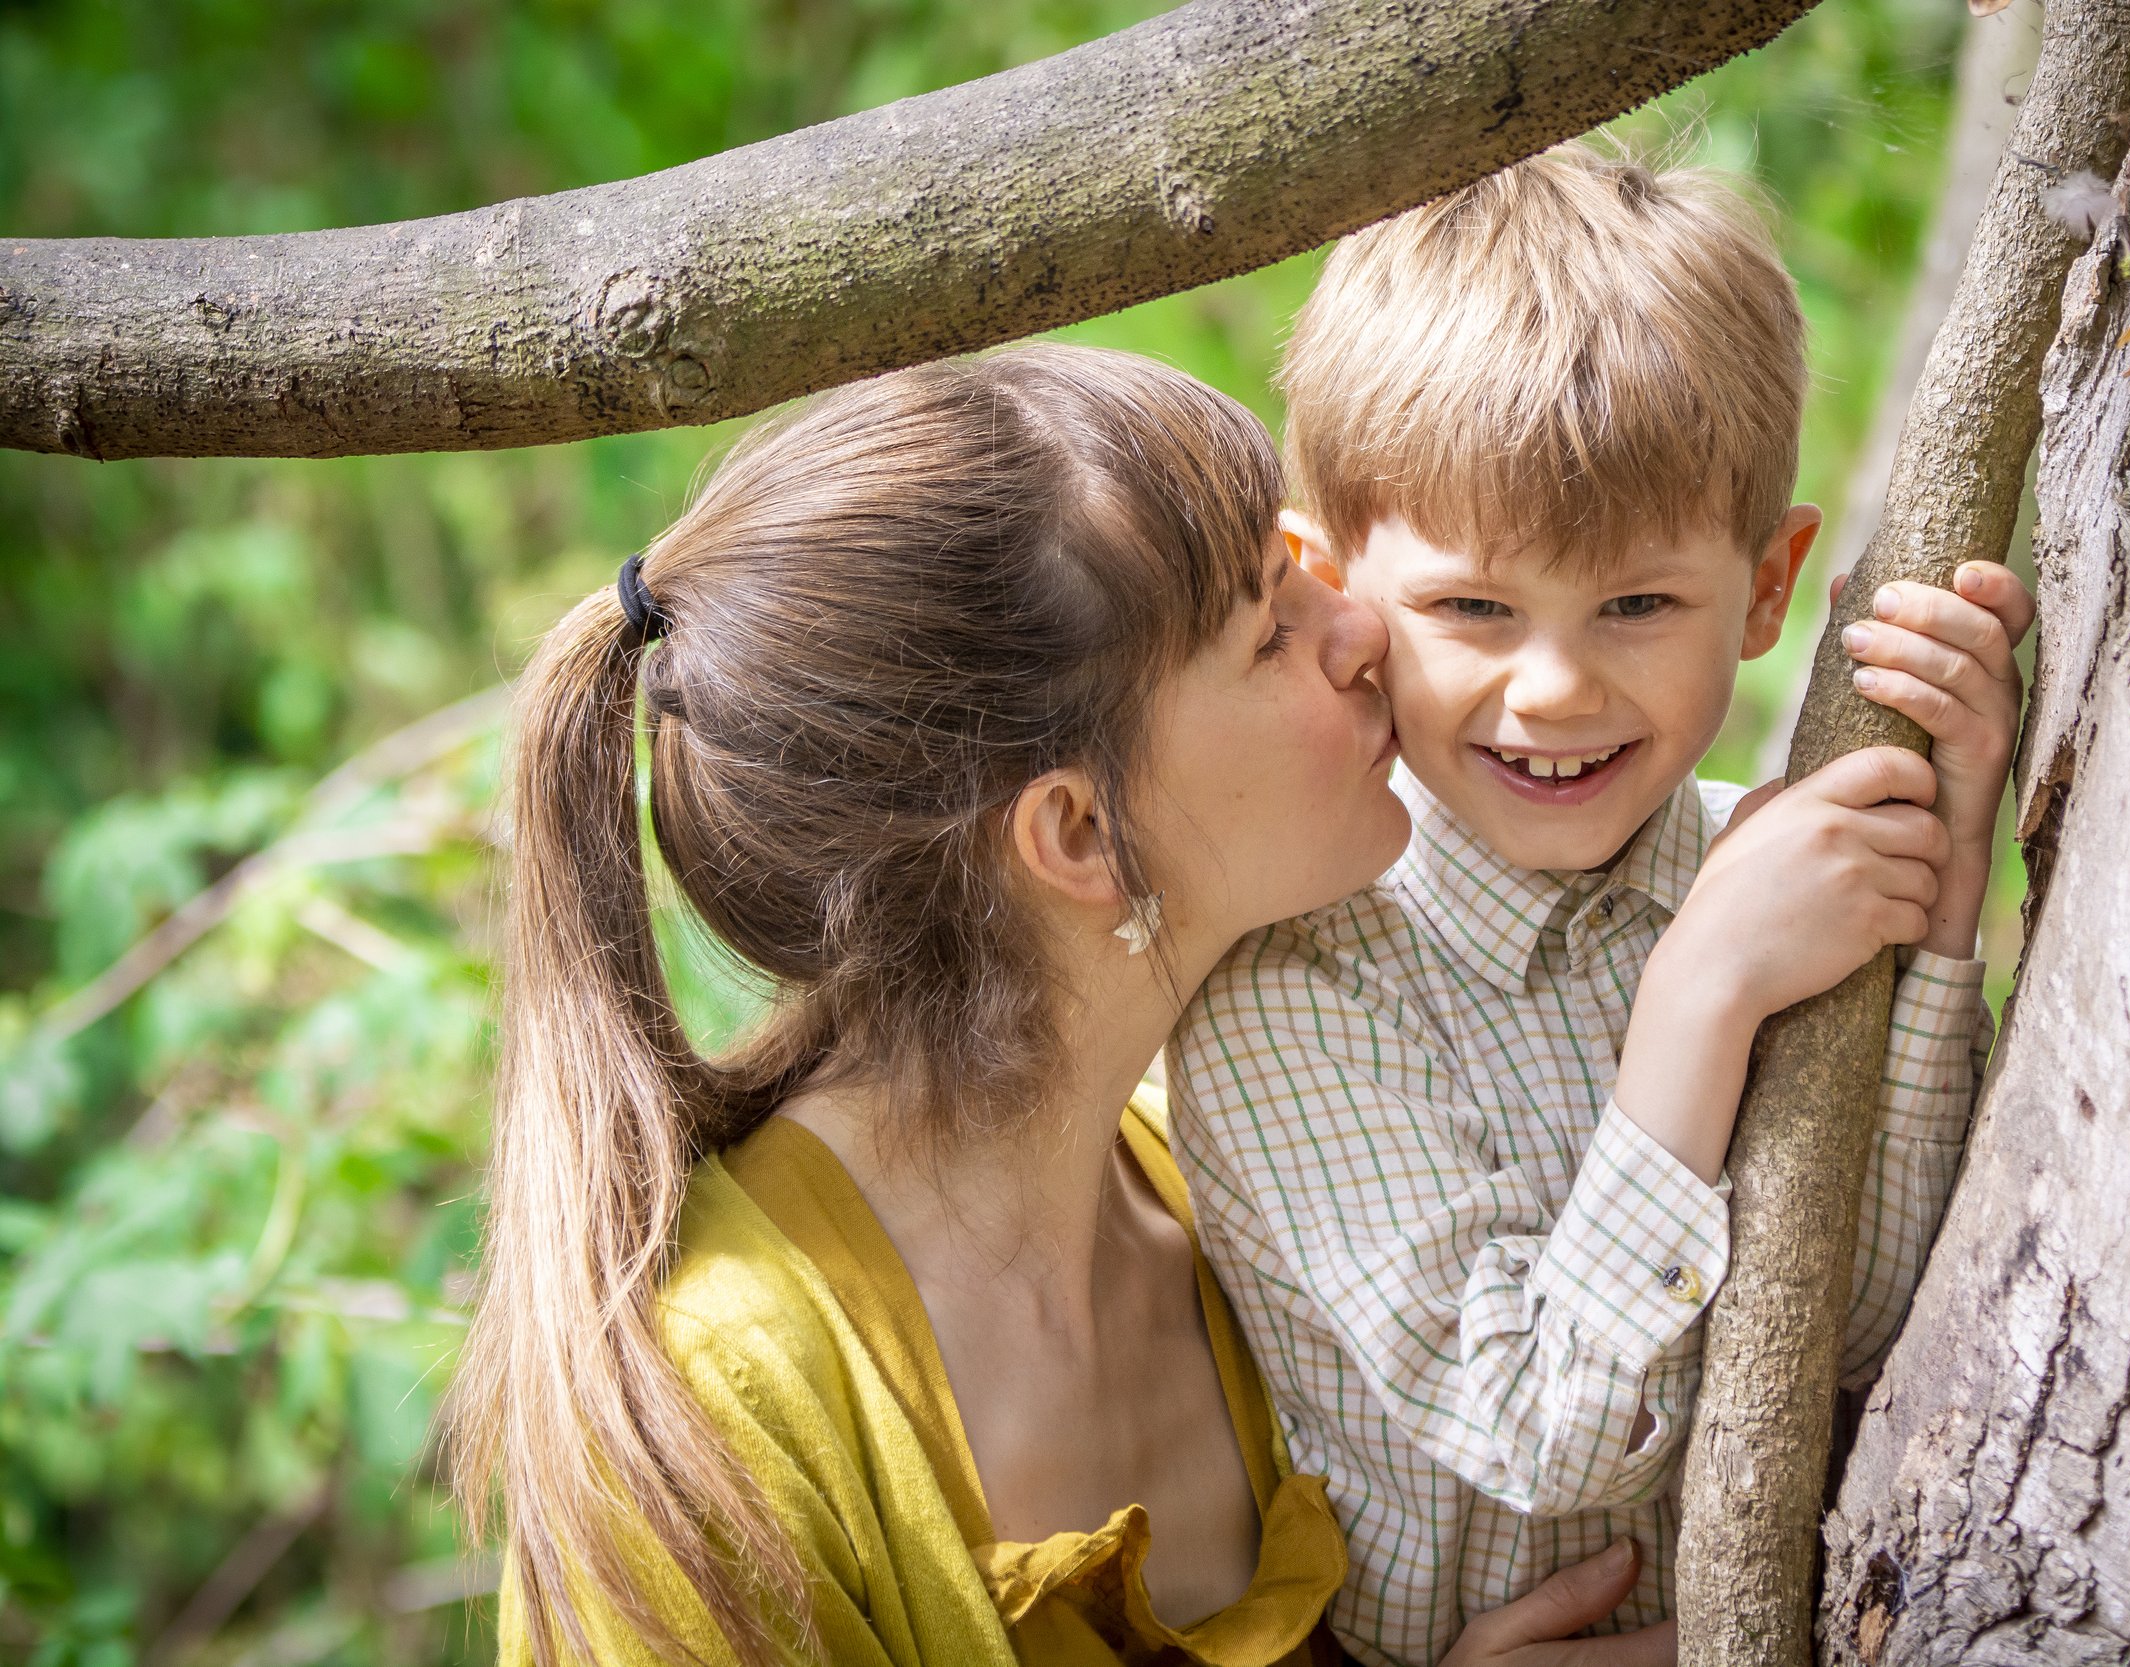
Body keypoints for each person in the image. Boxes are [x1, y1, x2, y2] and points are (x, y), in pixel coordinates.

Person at [447, 343, 1677, 1667]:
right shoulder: (719, 1418)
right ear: (1080, 837)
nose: (1363, 627)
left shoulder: (1260, 1187)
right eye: (1271, 630)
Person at [1167, 142, 2036, 1666]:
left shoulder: (1750, 872)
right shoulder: (1294, 980)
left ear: (1768, 590)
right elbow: (1541, 1430)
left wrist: (1941, 887)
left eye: (1637, 603)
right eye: (1471, 608)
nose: (1557, 685)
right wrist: (1703, 997)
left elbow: (1868, 1313)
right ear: (1338, 585)